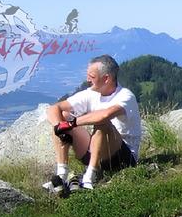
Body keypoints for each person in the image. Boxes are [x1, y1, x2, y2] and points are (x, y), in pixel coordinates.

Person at [46, 54, 142, 190]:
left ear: (106, 78)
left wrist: (72, 124)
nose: (87, 80)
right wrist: (59, 127)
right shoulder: (90, 93)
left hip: (121, 157)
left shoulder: (125, 96)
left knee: (102, 122)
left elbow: (105, 115)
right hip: (95, 151)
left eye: (92, 76)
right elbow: (54, 108)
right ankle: (61, 175)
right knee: (64, 115)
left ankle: (89, 177)